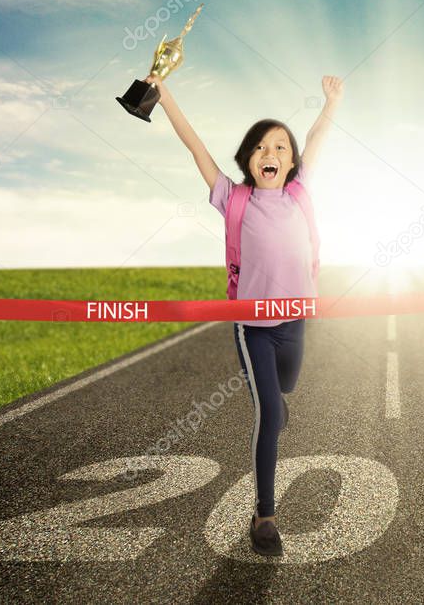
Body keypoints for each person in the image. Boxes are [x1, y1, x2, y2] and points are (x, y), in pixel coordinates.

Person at [145, 72, 344, 556]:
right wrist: (164, 95)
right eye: (259, 148)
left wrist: (331, 104)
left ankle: (278, 405)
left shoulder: (300, 193)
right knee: (269, 411)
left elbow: (317, 138)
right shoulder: (233, 199)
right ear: (247, 161)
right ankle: (265, 514)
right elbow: (195, 147)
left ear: (291, 161)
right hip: (253, 328)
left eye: (279, 147)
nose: (269, 154)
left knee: (287, 389)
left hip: (295, 323)